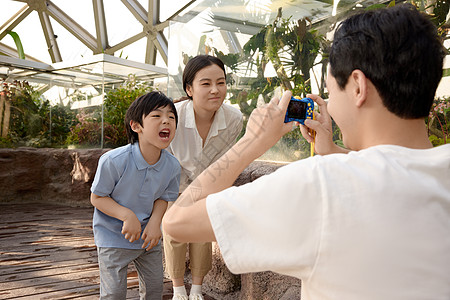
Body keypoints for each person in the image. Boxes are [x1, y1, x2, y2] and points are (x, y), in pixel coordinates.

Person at [162, 5, 450, 300]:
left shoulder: (319, 185)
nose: (328, 101)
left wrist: (253, 141)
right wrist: (329, 150)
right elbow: (395, 166)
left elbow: (176, 223)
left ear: (357, 87)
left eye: (330, 90)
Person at [164, 55, 243, 300]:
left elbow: (222, 160)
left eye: (221, 82)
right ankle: (178, 289)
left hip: (206, 184)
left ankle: (197, 288)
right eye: (206, 83)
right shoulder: (173, 115)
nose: (215, 90)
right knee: (173, 231)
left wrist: (204, 188)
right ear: (189, 89)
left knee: (202, 233)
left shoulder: (234, 119)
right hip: (173, 181)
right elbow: (163, 155)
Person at [90, 91, 181, 299]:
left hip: (148, 238)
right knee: (113, 294)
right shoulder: (113, 160)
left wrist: (155, 222)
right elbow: (97, 197)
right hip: (112, 236)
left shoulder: (173, 166)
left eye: (171, 117)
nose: (166, 120)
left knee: (155, 290)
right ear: (136, 126)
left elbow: (164, 197)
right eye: (156, 116)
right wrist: (127, 215)